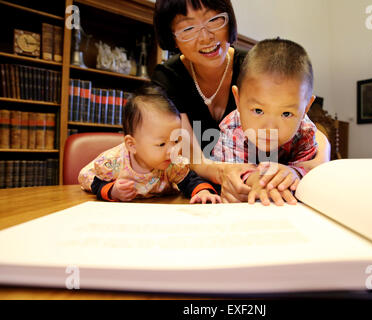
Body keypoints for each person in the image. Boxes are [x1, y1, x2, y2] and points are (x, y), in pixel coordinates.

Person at [151, 0, 330, 203]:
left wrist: (301, 169)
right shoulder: (169, 79)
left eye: (214, 19)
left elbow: (309, 132)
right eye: (189, 28)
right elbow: (190, 155)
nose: (206, 37)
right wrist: (240, 176)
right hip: (205, 188)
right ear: (172, 37)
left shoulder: (255, 69)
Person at [212, 38, 317, 206]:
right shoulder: (232, 128)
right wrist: (258, 181)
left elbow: (311, 168)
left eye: (286, 113)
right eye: (258, 111)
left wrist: (295, 172)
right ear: (238, 100)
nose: (269, 128)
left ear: (306, 108)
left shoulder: (305, 130)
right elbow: (236, 172)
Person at [78, 84, 221, 204]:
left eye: (176, 141)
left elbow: (190, 179)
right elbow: (97, 183)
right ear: (132, 145)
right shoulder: (113, 162)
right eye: (161, 144)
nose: (172, 150)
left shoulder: (172, 164)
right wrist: (113, 190)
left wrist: (203, 191)